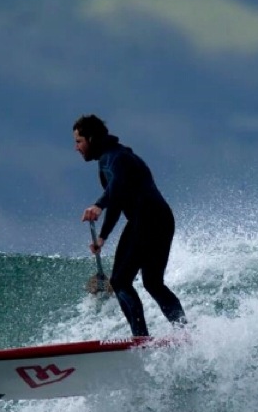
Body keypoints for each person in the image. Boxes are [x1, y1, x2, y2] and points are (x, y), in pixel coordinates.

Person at [73, 114, 186, 339]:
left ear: (92, 138)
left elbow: (117, 184)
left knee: (120, 281)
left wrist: (98, 205)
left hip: (147, 220)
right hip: (158, 219)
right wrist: (103, 236)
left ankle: (140, 339)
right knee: (153, 283)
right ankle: (185, 333)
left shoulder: (118, 158)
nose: (77, 148)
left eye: (79, 141)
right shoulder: (111, 158)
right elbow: (118, 199)